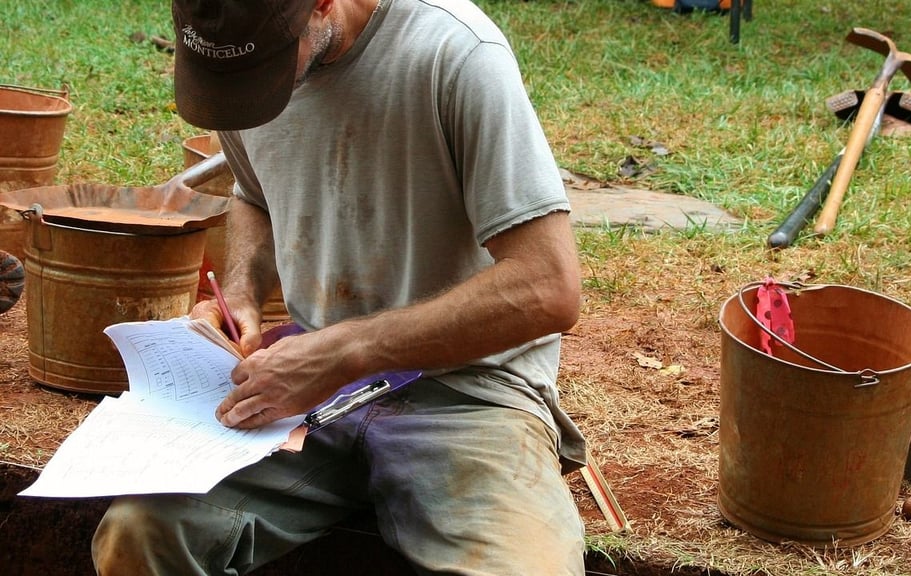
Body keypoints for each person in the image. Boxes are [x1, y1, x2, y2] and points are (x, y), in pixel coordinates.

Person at [91, 0, 588, 574]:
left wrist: (342, 351)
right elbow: (254, 194)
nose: (254, 95)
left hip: (467, 392)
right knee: (138, 533)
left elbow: (547, 287)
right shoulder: (241, 71)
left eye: (267, 69)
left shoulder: (454, 52)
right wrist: (243, 290)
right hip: (300, 399)